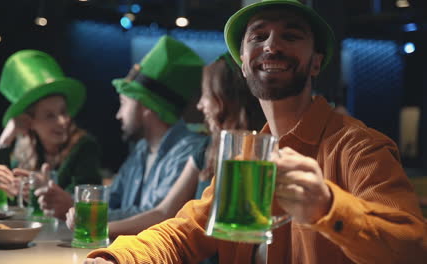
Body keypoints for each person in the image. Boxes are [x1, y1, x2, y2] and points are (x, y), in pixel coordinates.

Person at [84, 1, 427, 263]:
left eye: (290, 35)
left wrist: (329, 206)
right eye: (259, 36)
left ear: (316, 62)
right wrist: (116, 258)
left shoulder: (359, 147)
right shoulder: (248, 154)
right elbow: (184, 231)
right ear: (244, 62)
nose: (272, 46)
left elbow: (413, 247)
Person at [66, 53, 266, 241]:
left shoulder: (252, 151)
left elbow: (166, 218)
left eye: (205, 94)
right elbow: (164, 213)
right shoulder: (203, 148)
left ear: (224, 99)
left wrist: (93, 224)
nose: (199, 106)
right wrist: (89, 220)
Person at [0, 50, 102, 219]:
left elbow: (84, 203)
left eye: (63, 112)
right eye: (50, 116)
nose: (62, 121)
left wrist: (39, 196)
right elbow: (6, 198)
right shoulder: (26, 148)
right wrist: (4, 141)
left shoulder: (84, 146)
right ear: (30, 122)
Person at [102, 35, 206, 221]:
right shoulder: (142, 149)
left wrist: (85, 216)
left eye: (124, 103)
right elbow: (110, 201)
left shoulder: (188, 150)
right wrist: (72, 204)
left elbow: (154, 219)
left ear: (146, 106)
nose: (119, 114)